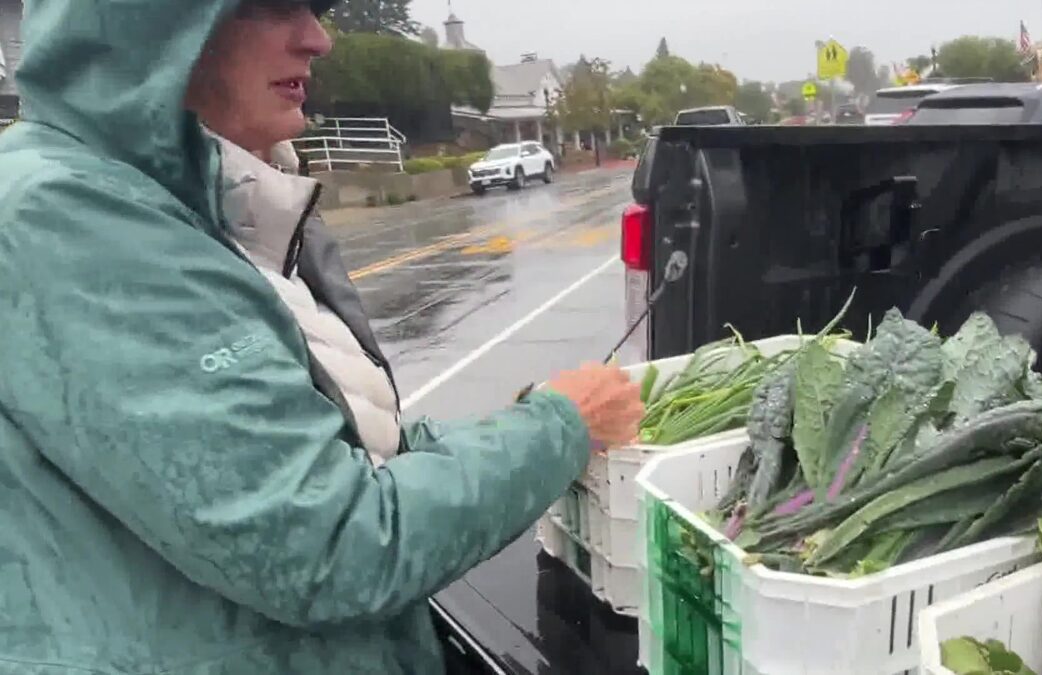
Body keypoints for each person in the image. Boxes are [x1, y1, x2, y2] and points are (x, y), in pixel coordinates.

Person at [0, 1, 643, 673]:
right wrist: (558, 428)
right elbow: (328, 545)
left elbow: (349, 450)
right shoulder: (73, 219)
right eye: (275, 6)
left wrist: (520, 424)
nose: (318, 40)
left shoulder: (176, 197)